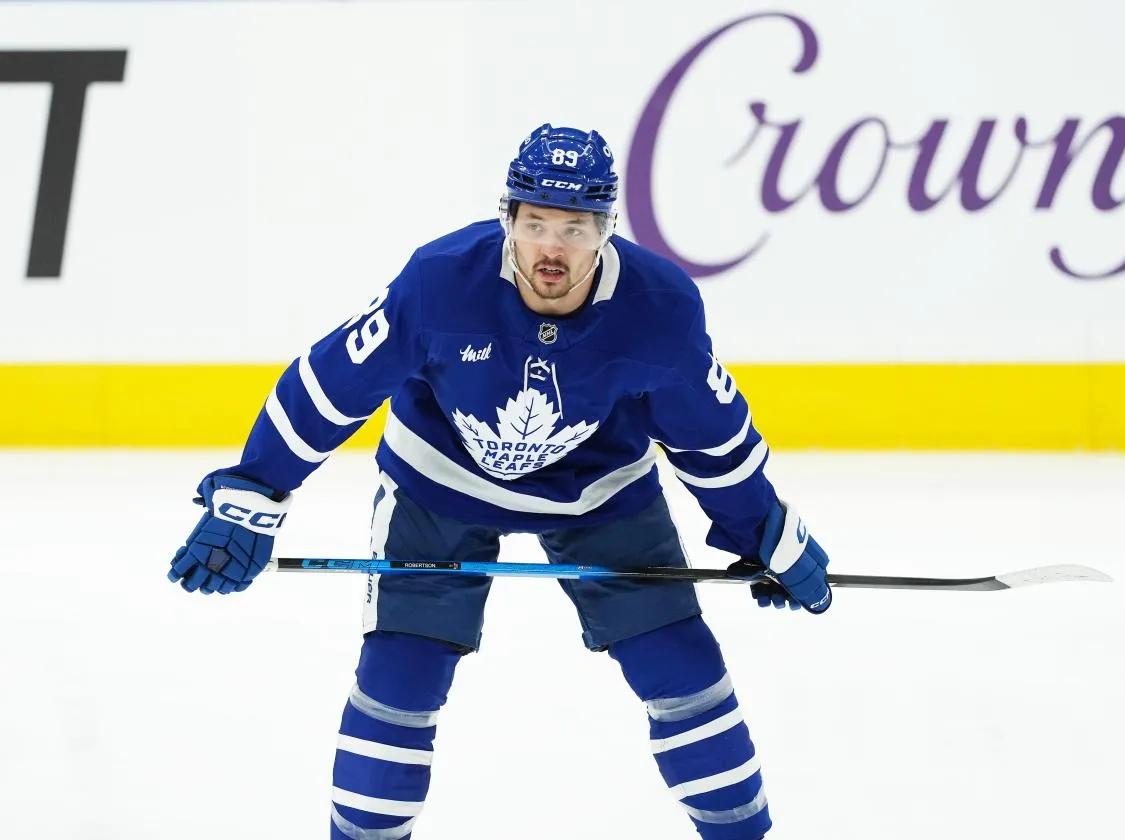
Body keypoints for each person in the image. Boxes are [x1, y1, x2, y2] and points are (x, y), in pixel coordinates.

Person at [168, 123, 832, 840]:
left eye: (575, 228)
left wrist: (761, 528)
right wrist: (251, 495)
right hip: (438, 482)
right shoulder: (440, 282)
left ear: (607, 230)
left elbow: (713, 439)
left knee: (686, 675)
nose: (553, 247)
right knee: (399, 682)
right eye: (537, 222)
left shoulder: (659, 310)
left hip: (599, 489)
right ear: (507, 219)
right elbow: (330, 387)